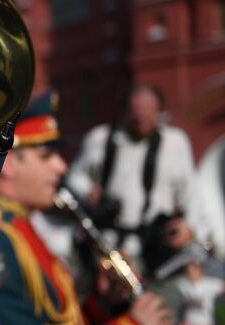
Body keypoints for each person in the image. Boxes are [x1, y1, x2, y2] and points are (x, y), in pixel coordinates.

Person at [0, 91, 174, 325]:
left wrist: (102, 302)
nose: (61, 167)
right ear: (8, 162)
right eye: (47, 156)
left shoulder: (18, 226)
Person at [67, 84, 201, 271]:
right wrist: (88, 191)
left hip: (155, 244)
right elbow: (74, 175)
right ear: (125, 111)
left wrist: (189, 227)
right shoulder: (101, 138)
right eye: (136, 111)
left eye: (149, 110)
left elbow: (191, 193)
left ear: (159, 112)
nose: (141, 117)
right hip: (109, 241)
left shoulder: (175, 142)